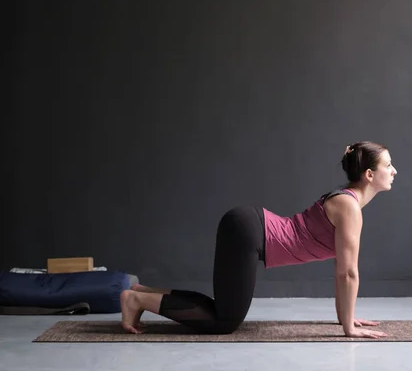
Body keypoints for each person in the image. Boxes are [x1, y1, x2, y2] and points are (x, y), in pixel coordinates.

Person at [120, 141, 397, 339]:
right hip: (249, 232)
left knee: (222, 309)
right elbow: (347, 273)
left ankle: (143, 293)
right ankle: (137, 301)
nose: (394, 170)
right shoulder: (349, 208)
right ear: (369, 174)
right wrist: (349, 328)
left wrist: (345, 320)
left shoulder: (347, 204)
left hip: (248, 225)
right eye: (388, 165)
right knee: (225, 321)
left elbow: (342, 273)